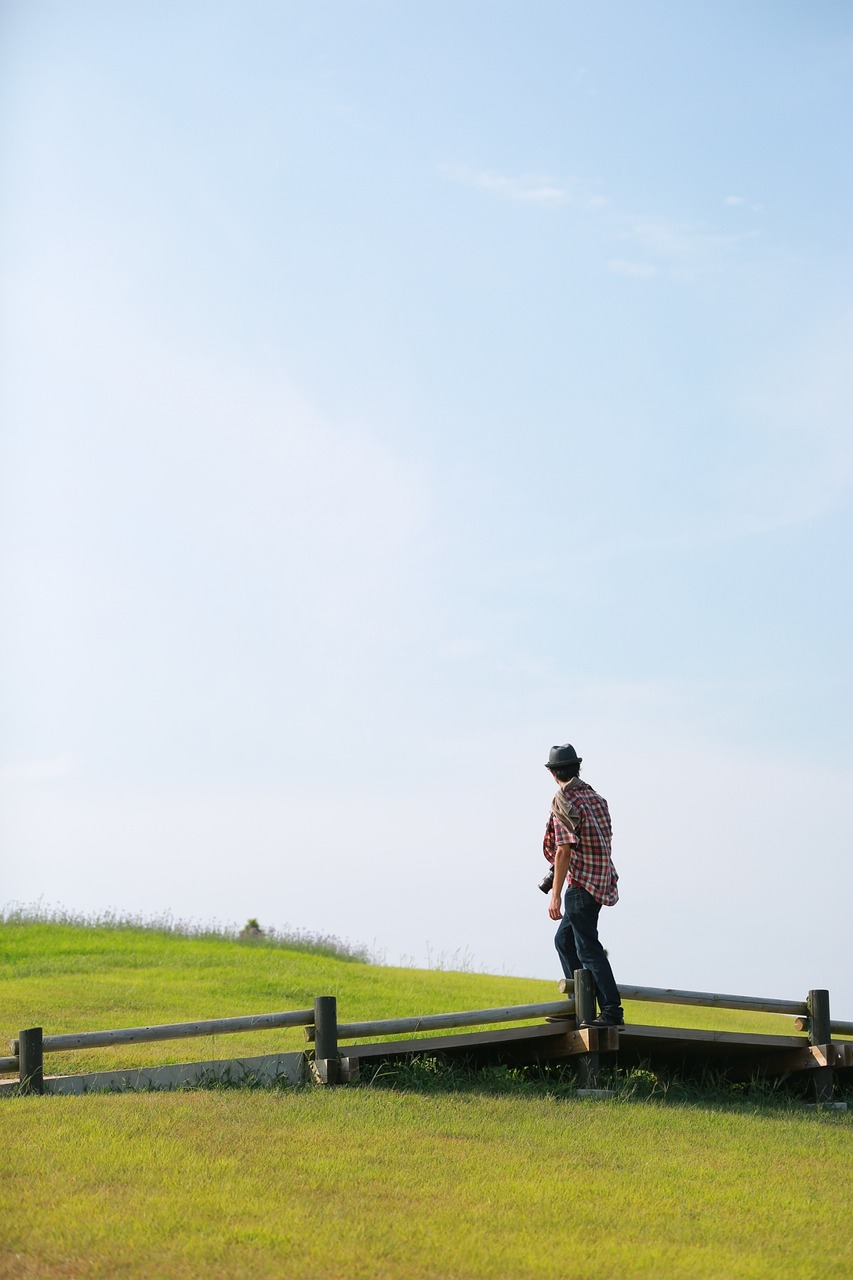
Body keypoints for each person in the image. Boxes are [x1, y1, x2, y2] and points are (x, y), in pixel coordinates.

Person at [542, 743, 624, 1028]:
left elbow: (564, 849)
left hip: (580, 885)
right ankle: (580, 1005)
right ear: (577, 767)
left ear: (553, 773)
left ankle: (612, 1011)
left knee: (588, 949)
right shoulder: (596, 798)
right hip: (601, 880)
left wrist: (555, 896)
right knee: (563, 941)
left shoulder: (564, 800)